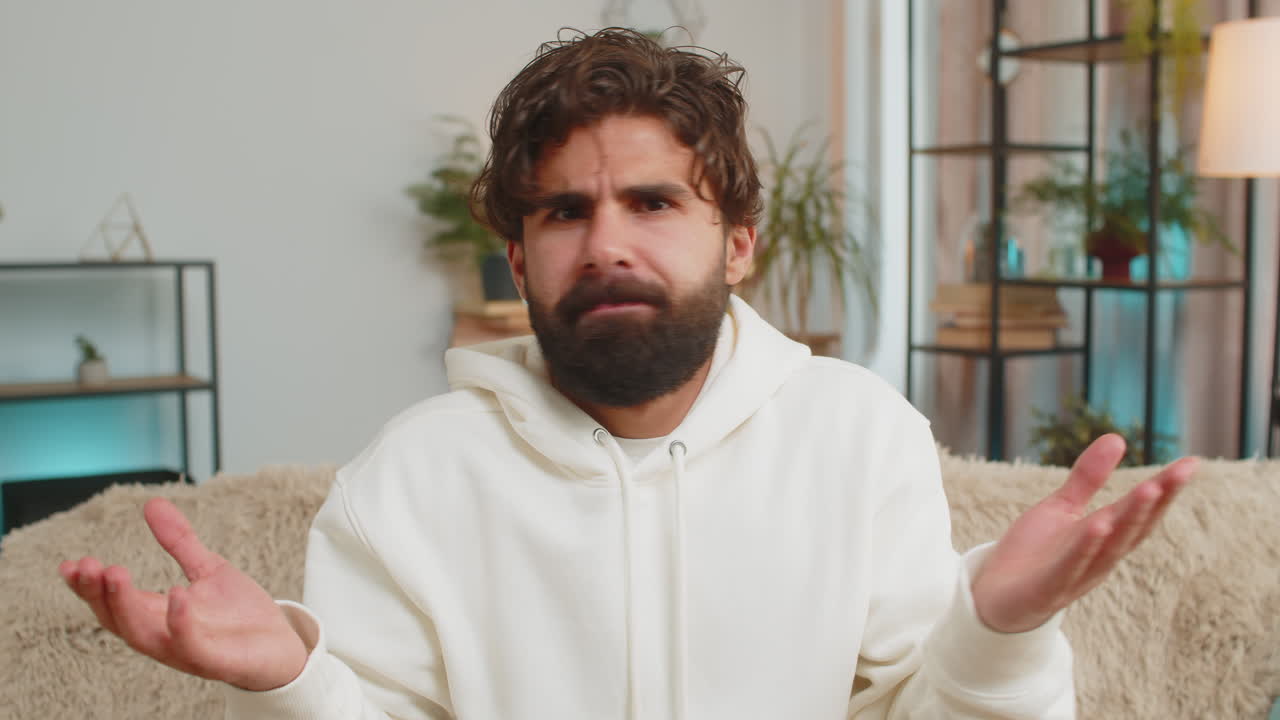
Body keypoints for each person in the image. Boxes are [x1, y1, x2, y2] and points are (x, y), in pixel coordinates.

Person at [58, 28, 1196, 720]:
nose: (606, 243)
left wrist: (995, 632)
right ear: (518, 258)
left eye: (652, 201)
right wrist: (291, 679)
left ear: (737, 239)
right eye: (564, 211)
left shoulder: (858, 437)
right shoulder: (408, 480)